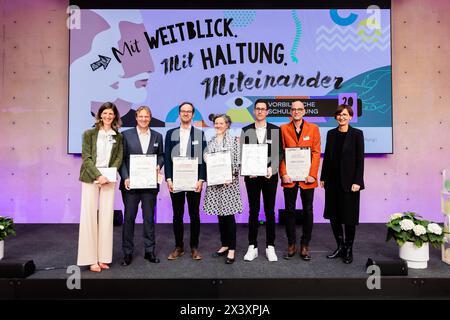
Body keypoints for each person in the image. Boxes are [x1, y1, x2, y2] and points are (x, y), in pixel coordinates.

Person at [68, 10, 162, 153]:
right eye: (120, 53)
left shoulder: (149, 132)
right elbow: (87, 159)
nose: (150, 67)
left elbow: (119, 159)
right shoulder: (84, 132)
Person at [77, 102, 123, 272]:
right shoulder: (89, 133)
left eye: (111, 114)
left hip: (109, 179)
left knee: (106, 218)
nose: (108, 116)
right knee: (89, 217)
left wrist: (110, 174)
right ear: (100, 115)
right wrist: (98, 175)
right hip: (91, 178)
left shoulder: (118, 136)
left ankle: (103, 258)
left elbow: (119, 157)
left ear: (115, 116)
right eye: (105, 113)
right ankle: (90, 259)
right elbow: (86, 157)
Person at [119, 106, 164, 266]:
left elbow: (161, 156)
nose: (144, 119)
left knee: (149, 219)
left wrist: (159, 165)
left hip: (150, 185)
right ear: (136, 118)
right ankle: (127, 253)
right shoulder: (125, 135)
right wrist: (125, 177)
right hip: (131, 185)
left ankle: (149, 251)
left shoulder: (158, 136)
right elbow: (121, 159)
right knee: (129, 219)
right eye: (141, 116)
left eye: (147, 117)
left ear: (150, 118)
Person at [320, 105, 365, 264]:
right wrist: (323, 177)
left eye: (345, 114)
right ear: (336, 117)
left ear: (350, 117)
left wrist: (358, 181)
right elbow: (326, 157)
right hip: (332, 182)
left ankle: (348, 248)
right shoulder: (331, 134)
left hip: (350, 183)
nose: (342, 117)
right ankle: (339, 246)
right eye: (339, 114)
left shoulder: (357, 134)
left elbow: (360, 160)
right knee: (334, 216)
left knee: (349, 217)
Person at [240, 99, 283, 262]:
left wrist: (272, 169)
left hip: (270, 176)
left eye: (263, 109)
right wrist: (247, 169)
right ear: (254, 111)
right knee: (253, 211)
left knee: (270, 211)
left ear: (267, 112)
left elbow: (279, 153)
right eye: (257, 109)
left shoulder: (275, 130)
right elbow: (243, 153)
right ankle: (253, 246)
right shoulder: (246, 130)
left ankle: (270, 246)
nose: (259, 111)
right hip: (251, 178)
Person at [164, 102, 207, 260]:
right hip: (176, 181)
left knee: (194, 214)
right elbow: (167, 157)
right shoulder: (170, 134)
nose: (186, 114)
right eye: (183, 111)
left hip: (194, 182)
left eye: (189, 111)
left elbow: (203, 158)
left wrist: (201, 179)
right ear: (179, 114)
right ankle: (179, 246)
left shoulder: (199, 134)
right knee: (177, 215)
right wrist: (168, 178)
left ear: (193, 114)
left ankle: (194, 247)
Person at [279, 100, 321, 261]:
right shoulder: (283, 129)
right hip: (289, 177)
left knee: (308, 211)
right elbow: (281, 153)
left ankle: (305, 245)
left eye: (299, 109)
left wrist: (313, 174)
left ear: (304, 111)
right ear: (290, 112)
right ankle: (291, 244)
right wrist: (283, 173)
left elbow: (316, 153)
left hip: (307, 178)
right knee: (289, 211)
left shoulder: (314, 128)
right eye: (294, 109)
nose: (296, 112)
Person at [204, 114, 243, 264]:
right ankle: (225, 244)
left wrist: (231, 176)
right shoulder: (211, 141)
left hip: (229, 185)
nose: (218, 125)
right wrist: (206, 157)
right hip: (215, 185)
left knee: (229, 217)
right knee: (220, 216)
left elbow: (238, 162)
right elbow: (208, 160)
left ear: (227, 125)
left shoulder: (234, 141)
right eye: (216, 123)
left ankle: (232, 248)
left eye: (221, 123)